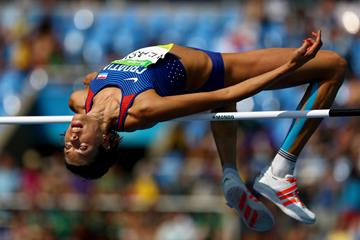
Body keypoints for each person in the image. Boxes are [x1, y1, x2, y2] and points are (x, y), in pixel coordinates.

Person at [64, 31, 347, 231]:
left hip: (203, 65)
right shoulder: (140, 109)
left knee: (224, 100)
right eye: (82, 148)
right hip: (221, 69)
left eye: (68, 146)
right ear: (105, 141)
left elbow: (112, 78)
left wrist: (98, 75)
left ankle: (230, 174)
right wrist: (289, 66)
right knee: (334, 65)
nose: (73, 139)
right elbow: (226, 93)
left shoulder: (80, 99)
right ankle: (280, 171)